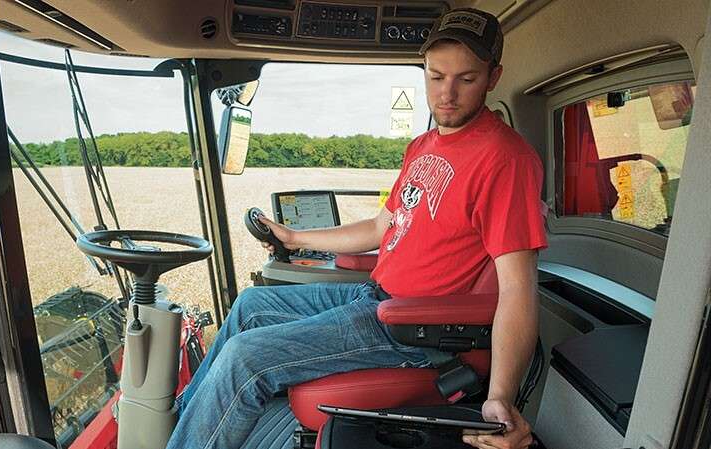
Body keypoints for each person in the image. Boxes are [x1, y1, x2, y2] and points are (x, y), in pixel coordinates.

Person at [167, 7, 546, 449]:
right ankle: (183, 420)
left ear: (493, 76)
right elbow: (382, 226)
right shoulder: (423, 145)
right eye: (436, 76)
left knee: (243, 359)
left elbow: (519, 289)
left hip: (405, 328)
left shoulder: (507, 160)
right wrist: (293, 238)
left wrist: (500, 396)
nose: (446, 94)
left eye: (466, 79)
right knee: (250, 304)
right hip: (371, 295)